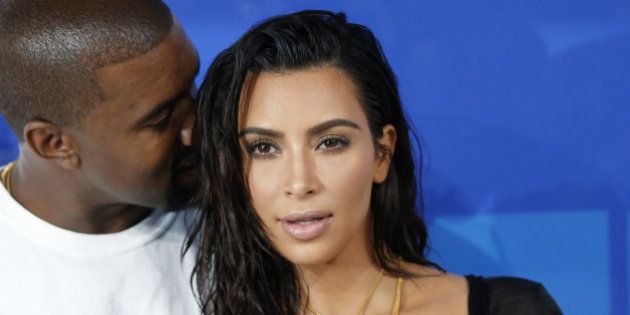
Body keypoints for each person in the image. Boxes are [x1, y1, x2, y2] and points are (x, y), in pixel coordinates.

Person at [191, 10, 563, 314]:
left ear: (382, 154)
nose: (300, 182)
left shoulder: (513, 308)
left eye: (330, 142)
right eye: (264, 148)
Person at [0, 1, 200, 314]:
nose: (198, 129)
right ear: (54, 144)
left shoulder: (261, 201)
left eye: (193, 88)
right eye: (162, 119)